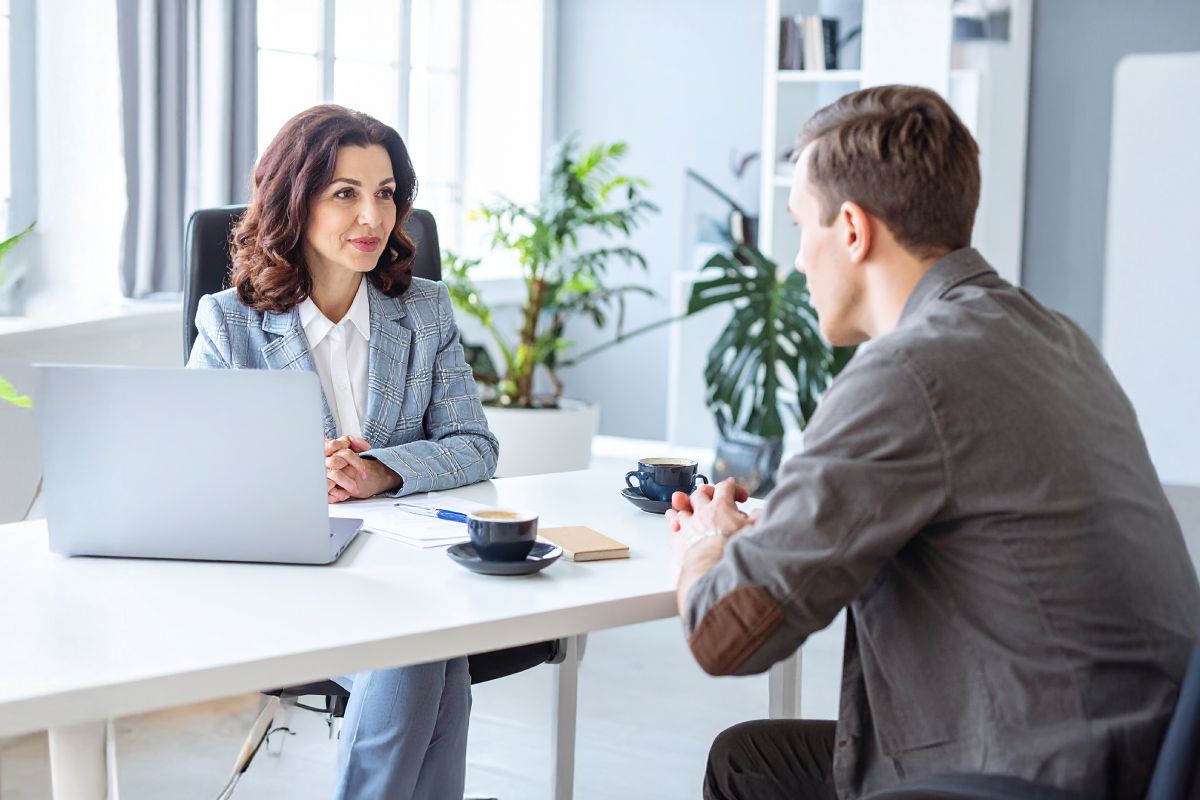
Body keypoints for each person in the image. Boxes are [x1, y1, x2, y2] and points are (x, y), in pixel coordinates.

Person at [666, 85, 1200, 800]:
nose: (797, 262)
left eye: (802, 228)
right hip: (1138, 758)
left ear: (852, 230)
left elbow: (724, 635)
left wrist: (704, 544)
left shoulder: (907, 371)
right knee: (751, 763)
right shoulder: (1053, 337)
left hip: (1031, 775)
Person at [188, 104, 498, 800]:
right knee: (425, 652)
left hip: (406, 574)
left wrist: (381, 471)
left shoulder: (424, 311)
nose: (372, 218)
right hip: (287, 585)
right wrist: (297, 470)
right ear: (295, 203)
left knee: (424, 648)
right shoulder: (230, 325)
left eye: (385, 194)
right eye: (345, 193)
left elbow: (474, 444)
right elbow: (200, 471)